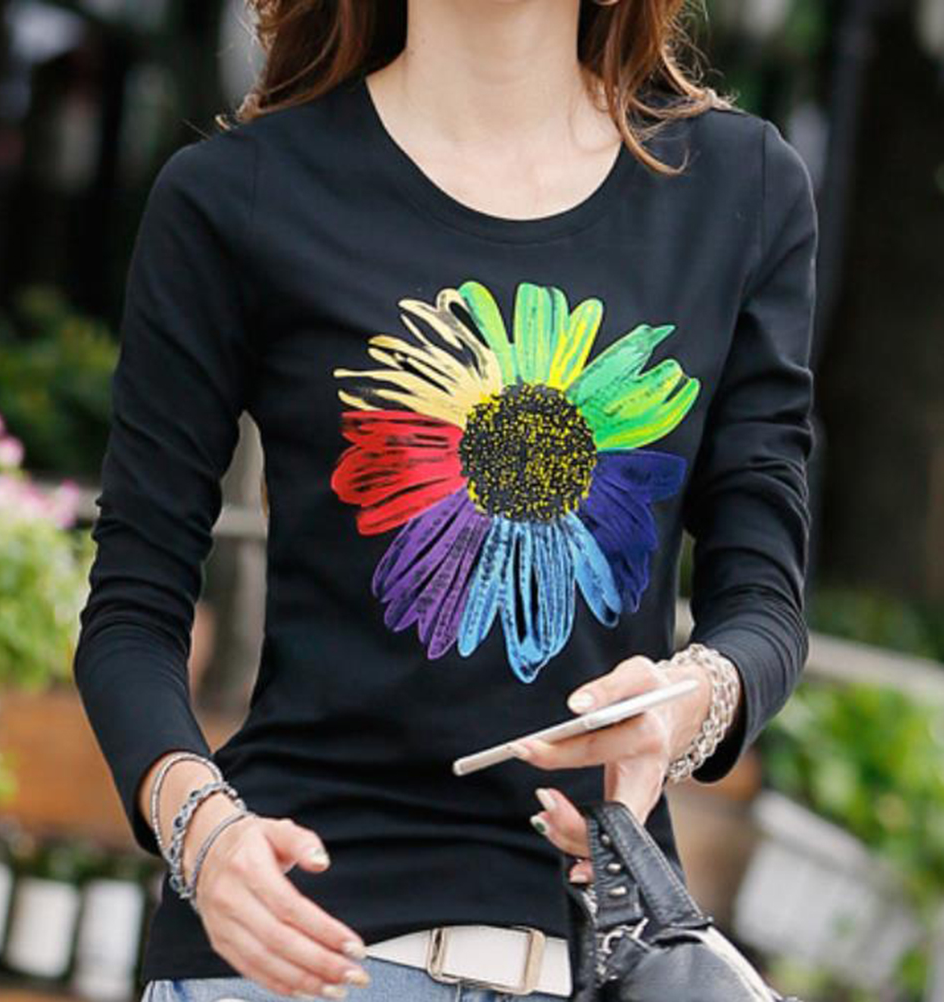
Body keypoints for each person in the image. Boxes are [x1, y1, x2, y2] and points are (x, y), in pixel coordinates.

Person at [72, 1, 818, 1000]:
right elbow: (131, 611)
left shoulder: (740, 188)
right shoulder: (236, 195)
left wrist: (691, 703)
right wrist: (201, 831)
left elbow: (765, 606)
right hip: (293, 962)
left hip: (589, 958)